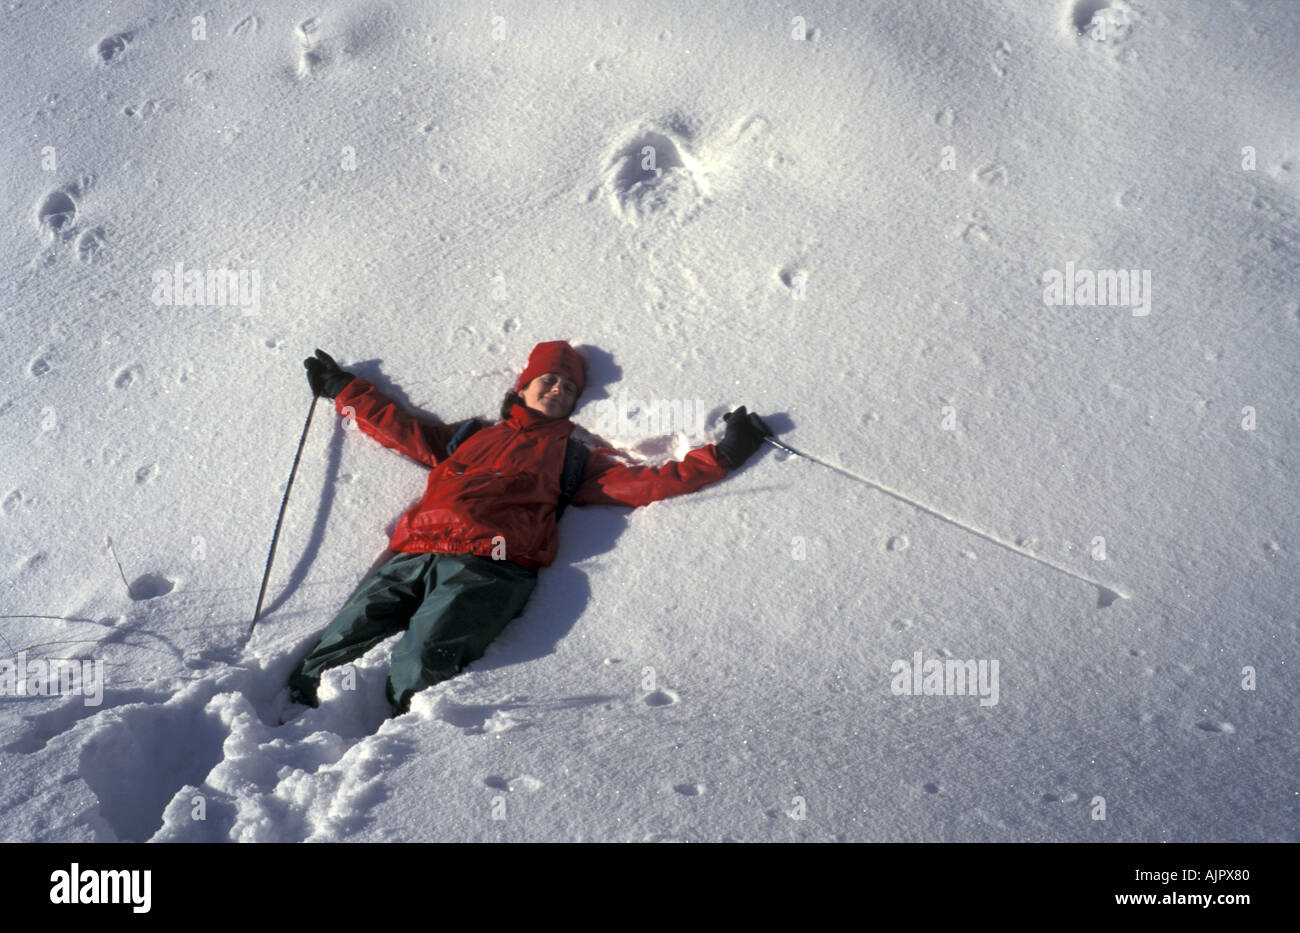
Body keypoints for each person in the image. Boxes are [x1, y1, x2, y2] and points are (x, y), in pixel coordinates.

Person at [286, 340, 772, 716]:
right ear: (522, 387)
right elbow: (402, 429)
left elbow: (643, 482)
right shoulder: (468, 437)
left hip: (489, 567)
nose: (559, 389)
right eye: (550, 380)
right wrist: (344, 389)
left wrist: (723, 455)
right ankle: (291, 719)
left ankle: (401, 756)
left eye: (569, 387)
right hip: (413, 553)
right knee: (338, 642)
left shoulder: (575, 456)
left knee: (422, 659)